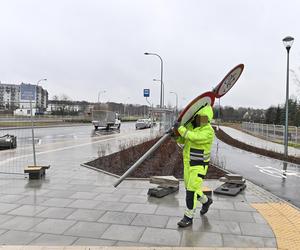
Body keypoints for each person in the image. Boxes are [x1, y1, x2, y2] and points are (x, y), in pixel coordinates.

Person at [170, 104, 215, 227]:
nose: (200, 119)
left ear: (207, 118)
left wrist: (181, 130)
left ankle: (188, 217)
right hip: (188, 163)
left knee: (191, 191)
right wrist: (175, 136)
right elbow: (184, 140)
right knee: (190, 189)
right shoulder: (193, 128)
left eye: (202, 117)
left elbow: (194, 138)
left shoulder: (208, 131)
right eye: (198, 117)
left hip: (199, 165)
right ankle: (206, 201)